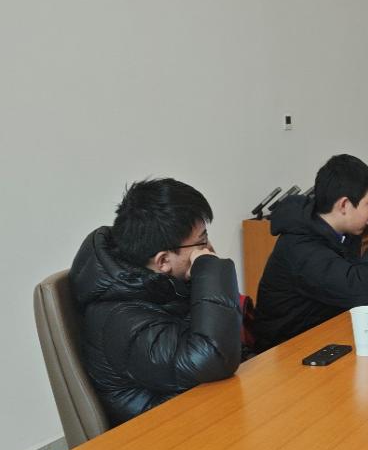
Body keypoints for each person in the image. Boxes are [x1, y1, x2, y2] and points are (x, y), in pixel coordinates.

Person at [69, 178, 242, 425]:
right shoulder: (120, 320)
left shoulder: (164, 283)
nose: (209, 249)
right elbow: (211, 358)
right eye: (201, 242)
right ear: (163, 261)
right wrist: (210, 269)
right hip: (165, 433)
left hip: (203, 411)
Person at [252, 154, 368, 351]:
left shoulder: (343, 232)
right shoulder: (300, 247)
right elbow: (359, 290)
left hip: (326, 332)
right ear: (344, 205)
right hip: (287, 349)